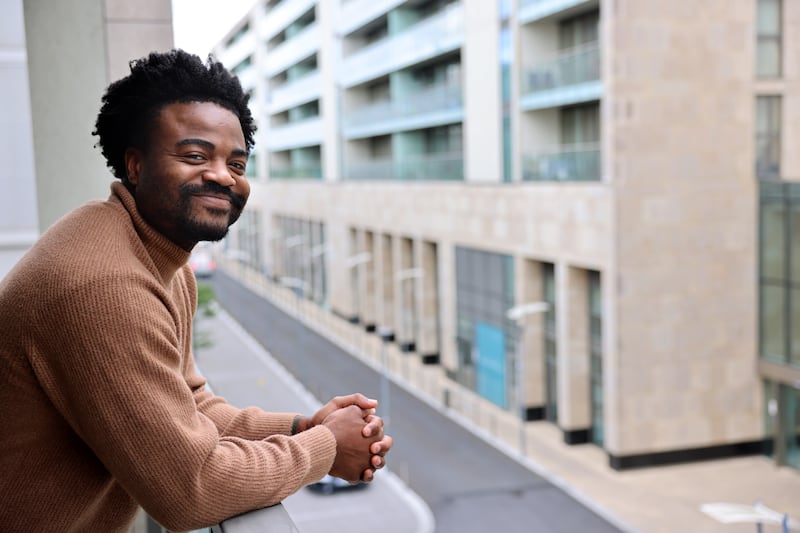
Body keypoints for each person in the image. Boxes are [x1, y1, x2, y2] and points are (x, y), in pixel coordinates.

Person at [0, 49, 393, 532]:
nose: (223, 176)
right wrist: (326, 447)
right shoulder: (104, 285)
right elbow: (193, 490)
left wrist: (304, 428)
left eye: (237, 164)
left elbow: (192, 407)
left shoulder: (161, 260)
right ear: (135, 165)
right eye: (194, 156)